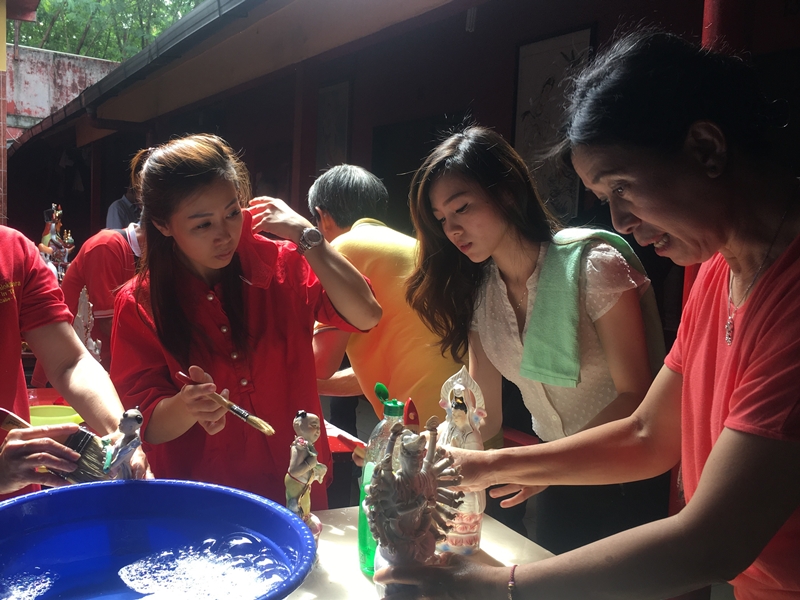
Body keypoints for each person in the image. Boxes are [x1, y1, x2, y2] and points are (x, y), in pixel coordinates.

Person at [377, 30, 800, 599]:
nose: (620, 219)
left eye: (622, 185)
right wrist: (483, 466)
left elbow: (715, 541)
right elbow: (649, 433)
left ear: (706, 149)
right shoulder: (720, 272)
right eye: (607, 197)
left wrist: (495, 588)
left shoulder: (788, 295)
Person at [403, 125, 668, 553]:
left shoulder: (593, 267)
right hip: (550, 480)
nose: (453, 229)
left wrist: (538, 467)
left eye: (463, 208)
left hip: (622, 472)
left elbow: (635, 395)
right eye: (442, 220)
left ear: (507, 192)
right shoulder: (480, 294)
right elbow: (480, 410)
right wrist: (431, 450)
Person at [110, 134, 381, 508]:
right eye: (202, 225)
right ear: (163, 224)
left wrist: (308, 236)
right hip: (203, 500)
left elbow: (367, 314)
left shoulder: (282, 261)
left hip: (296, 487)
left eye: (232, 213)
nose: (225, 235)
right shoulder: (141, 301)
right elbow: (146, 425)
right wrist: (188, 406)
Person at [0, 225, 150, 501]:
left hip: (19, 493)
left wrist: (119, 435)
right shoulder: (106, 247)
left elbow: (69, 361)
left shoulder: (11, 251)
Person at [309, 164, 463, 425]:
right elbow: (386, 371)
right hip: (467, 420)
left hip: (420, 431)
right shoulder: (415, 248)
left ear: (322, 217)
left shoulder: (340, 251)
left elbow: (320, 365)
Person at [32, 223, 142, 382]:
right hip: (70, 368)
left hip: (93, 366)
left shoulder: (135, 252)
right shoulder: (107, 245)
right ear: (162, 228)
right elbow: (108, 323)